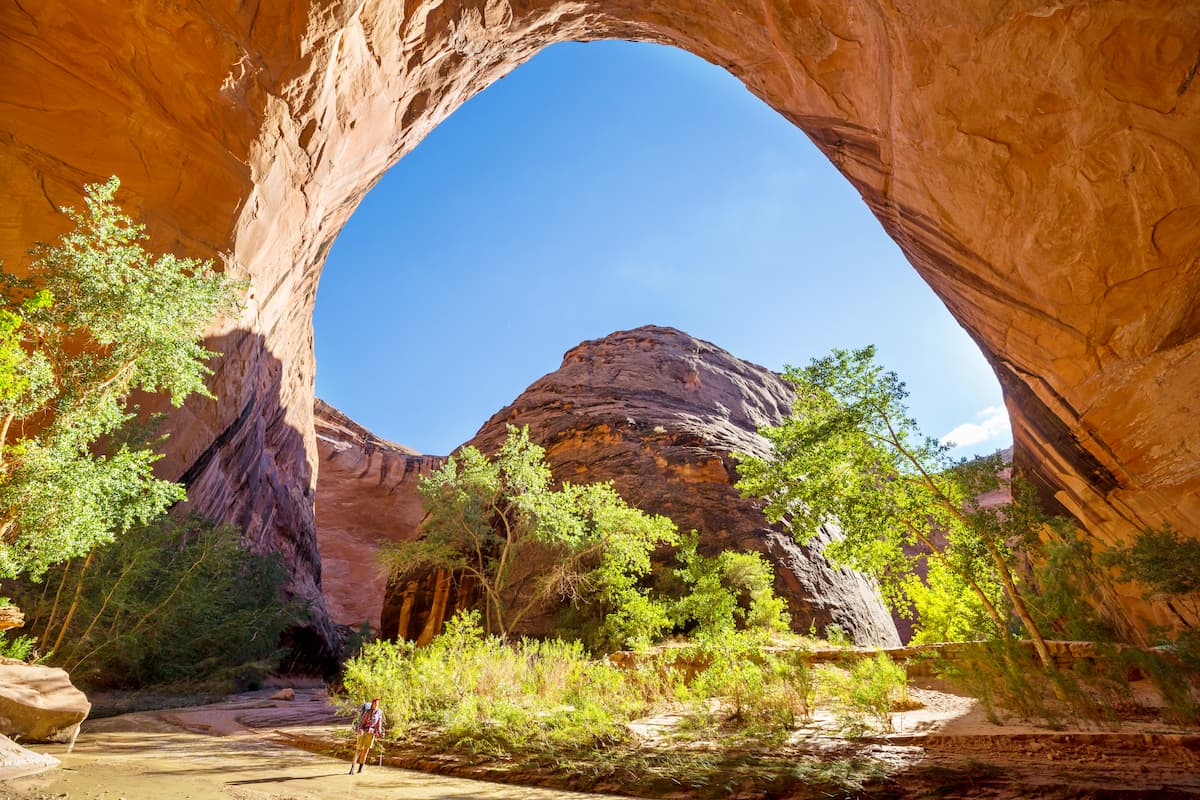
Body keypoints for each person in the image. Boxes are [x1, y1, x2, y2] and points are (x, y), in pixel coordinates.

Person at [350, 696, 384, 774]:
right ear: (372, 704)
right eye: (376, 704)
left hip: (371, 733)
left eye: (378, 704)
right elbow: (361, 722)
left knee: (365, 751)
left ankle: (360, 770)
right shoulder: (368, 712)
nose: (377, 706)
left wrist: (380, 733)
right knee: (358, 750)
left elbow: (378, 725)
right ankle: (352, 769)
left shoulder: (379, 713)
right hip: (362, 732)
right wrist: (360, 730)